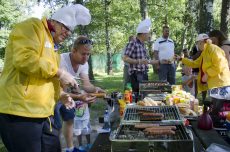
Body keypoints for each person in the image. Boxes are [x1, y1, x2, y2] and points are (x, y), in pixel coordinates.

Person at [0, 4, 91, 152]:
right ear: (55, 21)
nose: (68, 33)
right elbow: (24, 59)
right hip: (20, 112)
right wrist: (60, 72)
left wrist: (61, 95)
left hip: (45, 114)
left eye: (70, 30)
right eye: (65, 27)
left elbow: (47, 79)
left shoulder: (54, 47)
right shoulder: (32, 27)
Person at [59, 36, 105, 152]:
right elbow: (63, 92)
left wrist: (96, 89)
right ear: (73, 50)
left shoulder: (84, 64)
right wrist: (80, 96)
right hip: (55, 94)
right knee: (68, 115)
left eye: (88, 54)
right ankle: (69, 148)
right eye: (83, 54)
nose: (86, 58)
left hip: (68, 93)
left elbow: (86, 85)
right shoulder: (62, 61)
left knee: (69, 117)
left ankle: (70, 148)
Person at [176, 33, 230, 127]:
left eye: (197, 43)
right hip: (215, 84)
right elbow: (195, 63)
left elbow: (220, 65)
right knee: (215, 108)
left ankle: (217, 129)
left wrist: (207, 74)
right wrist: (181, 59)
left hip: (221, 83)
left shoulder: (213, 49)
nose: (197, 45)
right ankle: (213, 125)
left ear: (201, 42)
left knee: (218, 109)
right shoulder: (205, 52)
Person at [123, 18, 159, 102]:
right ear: (143, 33)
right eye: (148, 33)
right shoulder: (133, 43)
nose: (149, 35)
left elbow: (145, 61)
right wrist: (138, 61)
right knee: (138, 98)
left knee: (144, 98)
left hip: (143, 74)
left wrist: (159, 61)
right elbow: (125, 58)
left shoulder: (142, 45)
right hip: (136, 75)